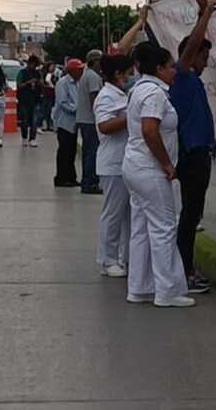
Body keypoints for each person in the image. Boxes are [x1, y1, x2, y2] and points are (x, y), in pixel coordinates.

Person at [123, 43, 193, 308]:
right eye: (170, 66)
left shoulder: (138, 90)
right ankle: (167, 290)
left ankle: (139, 287)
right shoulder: (154, 94)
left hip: (135, 166)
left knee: (141, 228)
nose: (174, 71)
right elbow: (150, 130)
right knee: (164, 228)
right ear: (159, 68)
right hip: (149, 168)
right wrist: (166, 164)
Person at [171, 0, 216, 294]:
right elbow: (193, 45)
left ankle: (185, 267)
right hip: (191, 156)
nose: (206, 61)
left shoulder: (194, 81)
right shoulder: (182, 77)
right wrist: (207, 14)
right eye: (203, 56)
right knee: (189, 216)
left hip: (200, 155)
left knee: (193, 214)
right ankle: (184, 271)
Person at [94, 53, 136, 278]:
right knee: (113, 214)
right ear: (118, 75)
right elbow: (104, 126)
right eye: (129, 74)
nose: (131, 78)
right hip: (112, 163)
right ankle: (108, 259)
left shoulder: (121, 94)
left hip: (126, 162)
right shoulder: (106, 97)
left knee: (128, 215)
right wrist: (132, 116)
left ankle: (124, 258)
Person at [52, 59, 85, 187]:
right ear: (72, 71)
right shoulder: (63, 83)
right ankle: (61, 177)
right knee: (64, 151)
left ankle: (71, 177)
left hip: (74, 123)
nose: (81, 72)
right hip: (64, 122)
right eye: (79, 70)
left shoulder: (77, 83)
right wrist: (76, 108)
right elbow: (62, 101)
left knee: (71, 151)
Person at [77, 50, 105, 195]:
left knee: (88, 152)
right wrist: (101, 116)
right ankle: (90, 183)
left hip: (84, 118)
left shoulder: (86, 75)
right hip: (90, 120)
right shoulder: (93, 76)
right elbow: (94, 98)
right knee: (93, 152)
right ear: (95, 61)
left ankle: (86, 180)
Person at [16, 56, 43, 147]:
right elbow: (19, 85)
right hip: (24, 100)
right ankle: (24, 138)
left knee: (34, 120)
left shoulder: (38, 73)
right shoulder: (22, 73)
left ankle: (32, 138)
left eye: (36, 65)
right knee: (25, 120)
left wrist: (38, 83)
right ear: (29, 63)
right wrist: (28, 83)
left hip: (35, 99)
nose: (34, 66)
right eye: (33, 64)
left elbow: (42, 84)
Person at [40, 62, 59, 132]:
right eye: (52, 66)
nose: (53, 68)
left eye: (54, 66)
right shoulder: (45, 74)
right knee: (44, 110)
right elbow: (46, 82)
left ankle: (49, 125)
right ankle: (42, 124)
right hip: (45, 94)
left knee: (49, 110)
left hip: (51, 95)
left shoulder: (53, 75)